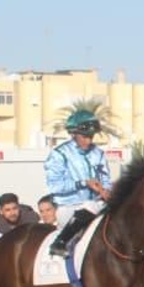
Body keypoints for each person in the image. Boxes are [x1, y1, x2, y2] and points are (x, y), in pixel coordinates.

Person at [45, 110, 112, 257]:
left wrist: (106, 190)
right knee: (90, 206)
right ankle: (60, 242)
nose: (88, 141)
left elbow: (106, 180)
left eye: (91, 136)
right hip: (69, 207)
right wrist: (83, 183)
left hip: (97, 206)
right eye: (85, 136)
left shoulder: (98, 153)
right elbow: (54, 186)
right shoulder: (59, 154)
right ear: (74, 134)